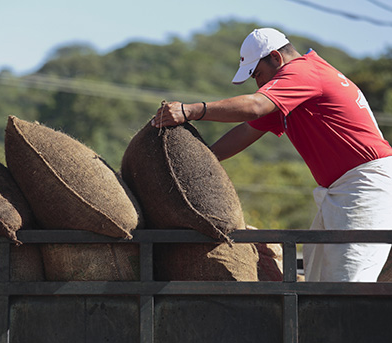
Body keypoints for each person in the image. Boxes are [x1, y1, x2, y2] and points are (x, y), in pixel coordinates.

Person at [151, 27, 392, 282]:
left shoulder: (303, 71)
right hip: (341, 189)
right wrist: (197, 161)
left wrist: (192, 110)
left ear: (277, 58)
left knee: (347, 283)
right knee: (320, 283)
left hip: (364, 185)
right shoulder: (293, 89)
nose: (260, 84)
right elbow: (246, 131)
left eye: (258, 74)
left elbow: (255, 106)